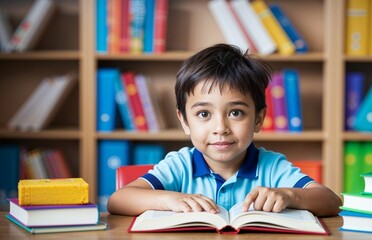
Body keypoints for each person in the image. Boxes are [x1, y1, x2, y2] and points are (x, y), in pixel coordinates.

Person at [107, 44, 342, 216]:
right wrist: (167, 199)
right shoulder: (179, 165)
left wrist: (290, 195)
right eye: (203, 114)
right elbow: (117, 200)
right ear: (184, 121)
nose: (221, 128)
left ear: (258, 119)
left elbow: (330, 201)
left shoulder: (272, 167)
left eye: (236, 113)